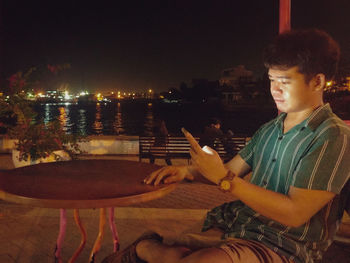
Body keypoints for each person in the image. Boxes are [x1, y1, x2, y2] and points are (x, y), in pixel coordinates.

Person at [103, 29, 350, 263]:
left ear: (317, 82)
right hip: (241, 224)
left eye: (285, 81)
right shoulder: (270, 129)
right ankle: (149, 248)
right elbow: (231, 168)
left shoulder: (332, 136)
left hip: (285, 245)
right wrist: (187, 172)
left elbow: (295, 213)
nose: (275, 89)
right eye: (272, 79)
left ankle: (145, 248)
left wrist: (226, 179)